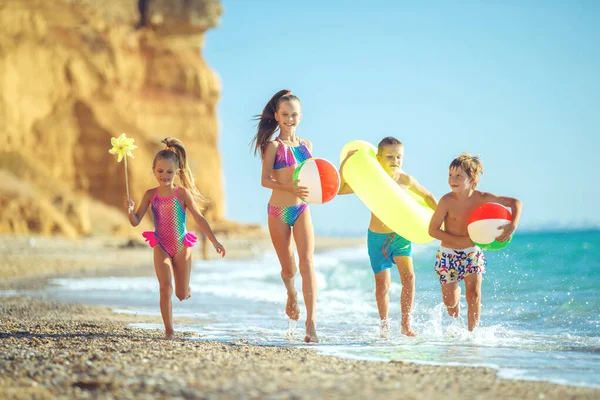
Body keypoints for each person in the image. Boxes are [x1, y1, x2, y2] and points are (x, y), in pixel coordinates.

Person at [125, 137, 226, 339]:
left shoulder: (182, 194)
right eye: (160, 171)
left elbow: (199, 218)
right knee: (165, 288)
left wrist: (214, 241)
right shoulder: (150, 194)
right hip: (161, 244)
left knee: (180, 294)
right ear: (153, 170)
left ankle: (186, 287)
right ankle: (169, 330)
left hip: (181, 246)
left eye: (169, 172)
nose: (164, 175)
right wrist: (129, 210)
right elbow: (135, 221)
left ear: (176, 172)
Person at [339, 137, 438, 338]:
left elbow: (427, 196)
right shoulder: (370, 179)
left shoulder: (406, 180)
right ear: (378, 157)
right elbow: (340, 190)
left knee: (409, 278)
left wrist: (441, 219)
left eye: (399, 156)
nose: (395, 160)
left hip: (400, 236)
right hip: (377, 239)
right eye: (390, 156)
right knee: (382, 285)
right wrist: (344, 166)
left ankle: (406, 324)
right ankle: (384, 325)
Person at [250, 89, 319, 343]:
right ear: (277, 117)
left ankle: (311, 324)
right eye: (286, 114)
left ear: (301, 116)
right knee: (289, 270)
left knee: (307, 263)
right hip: (278, 212)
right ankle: (291, 293)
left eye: (295, 114)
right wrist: (288, 187)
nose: (291, 118)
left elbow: (316, 176)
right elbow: (264, 180)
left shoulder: (306, 146)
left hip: (302, 209)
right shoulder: (274, 146)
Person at [428, 153, 522, 331]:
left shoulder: (482, 198)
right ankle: (455, 300)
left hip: (472, 253)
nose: (452, 180)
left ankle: (473, 335)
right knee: (450, 305)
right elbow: (432, 230)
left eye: (458, 176)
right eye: (450, 175)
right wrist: (459, 240)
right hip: (448, 255)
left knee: (474, 293)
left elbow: (515, 203)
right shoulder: (446, 201)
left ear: (472, 179)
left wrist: (512, 226)